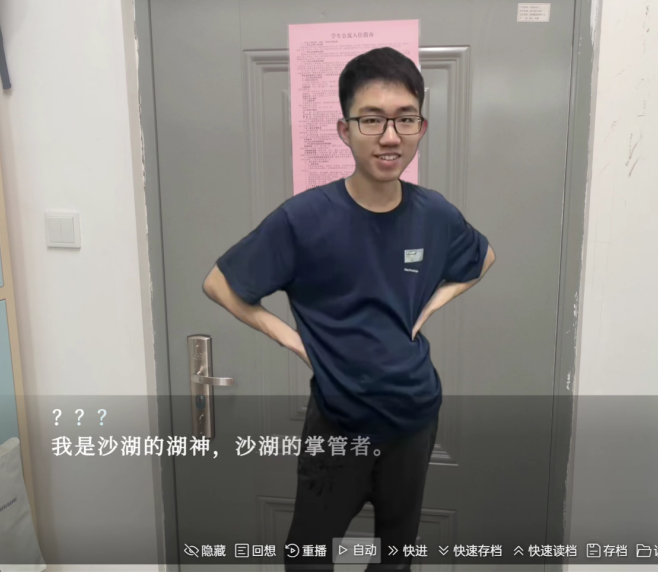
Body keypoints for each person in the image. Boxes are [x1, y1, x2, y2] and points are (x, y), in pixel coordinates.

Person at [203, 46, 495, 571]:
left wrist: (430, 305)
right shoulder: (304, 219)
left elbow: (483, 258)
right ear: (345, 130)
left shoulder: (434, 213)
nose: (391, 136)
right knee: (308, 559)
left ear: (422, 128)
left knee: (394, 560)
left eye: (406, 119)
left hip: (414, 420)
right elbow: (219, 283)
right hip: (338, 426)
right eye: (372, 119)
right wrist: (293, 340)